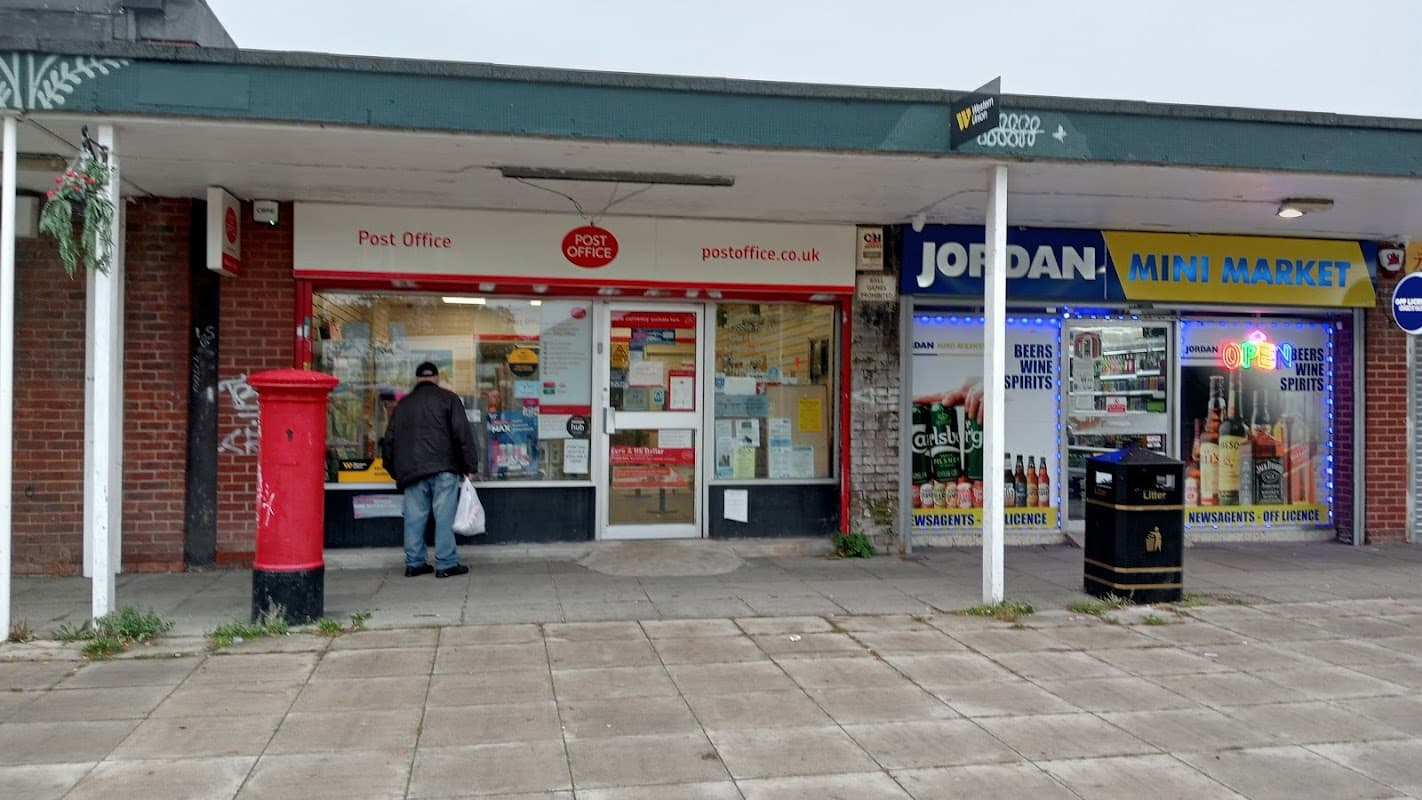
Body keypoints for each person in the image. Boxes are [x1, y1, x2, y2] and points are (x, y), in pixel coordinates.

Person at [381, 362, 479, 578]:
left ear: (417, 380)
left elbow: (389, 441)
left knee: (414, 517)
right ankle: (446, 564)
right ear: (436, 378)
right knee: (444, 516)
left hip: (413, 471)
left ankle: (414, 563)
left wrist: (394, 470)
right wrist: (470, 465)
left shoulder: (403, 405)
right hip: (444, 468)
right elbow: (462, 434)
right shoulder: (449, 399)